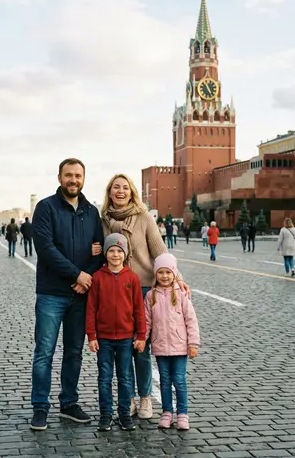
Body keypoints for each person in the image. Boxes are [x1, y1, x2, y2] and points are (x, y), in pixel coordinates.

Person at [97, 173, 191, 420]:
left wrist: (177, 277)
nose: (120, 191)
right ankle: (127, 399)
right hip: (116, 291)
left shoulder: (144, 217)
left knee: (141, 348)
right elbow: (102, 252)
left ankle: (145, 398)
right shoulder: (103, 220)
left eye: (125, 188)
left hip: (144, 290)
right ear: (109, 192)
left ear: (132, 192)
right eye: (115, 187)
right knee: (122, 350)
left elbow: (160, 251)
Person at [30, 158, 104, 431]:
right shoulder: (46, 207)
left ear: (84, 178)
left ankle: (69, 403)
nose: (74, 180)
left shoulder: (91, 211)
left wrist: (87, 276)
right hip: (52, 293)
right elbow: (46, 249)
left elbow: (100, 250)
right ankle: (40, 407)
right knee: (44, 352)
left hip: (81, 295)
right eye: (69, 175)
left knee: (74, 352)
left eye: (78, 175)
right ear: (59, 177)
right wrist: (77, 275)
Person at [86, 233, 145, 432]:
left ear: (125, 254)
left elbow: (138, 309)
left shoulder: (132, 278)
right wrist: (92, 336)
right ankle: (105, 414)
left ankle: (124, 414)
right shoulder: (97, 278)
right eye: (111, 250)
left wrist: (141, 335)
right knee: (104, 377)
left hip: (126, 338)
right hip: (103, 338)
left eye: (119, 251)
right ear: (105, 253)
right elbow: (91, 309)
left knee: (125, 377)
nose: (115, 254)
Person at [145, 253, 199, 430]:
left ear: (174, 273)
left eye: (168, 272)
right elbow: (147, 321)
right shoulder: (150, 296)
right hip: (160, 347)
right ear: (156, 274)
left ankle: (182, 413)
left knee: (180, 380)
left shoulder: (181, 294)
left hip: (180, 347)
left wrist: (193, 344)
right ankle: (167, 412)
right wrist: (142, 339)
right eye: (161, 272)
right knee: (165, 381)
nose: (164, 276)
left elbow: (191, 320)